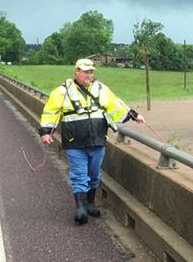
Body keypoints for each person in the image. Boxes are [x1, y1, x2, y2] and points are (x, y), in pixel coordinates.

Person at [39, 58, 145, 224]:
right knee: (79, 175)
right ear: (77, 72)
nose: (89, 75)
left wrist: (133, 116)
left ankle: (89, 203)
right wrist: (46, 132)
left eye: (91, 72)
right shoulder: (62, 91)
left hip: (97, 140)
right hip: (75, 141)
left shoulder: (101, 89)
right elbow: (50, 111)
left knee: (94, 174)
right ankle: (80, 209)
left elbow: (115, 105)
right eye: (85, 72)